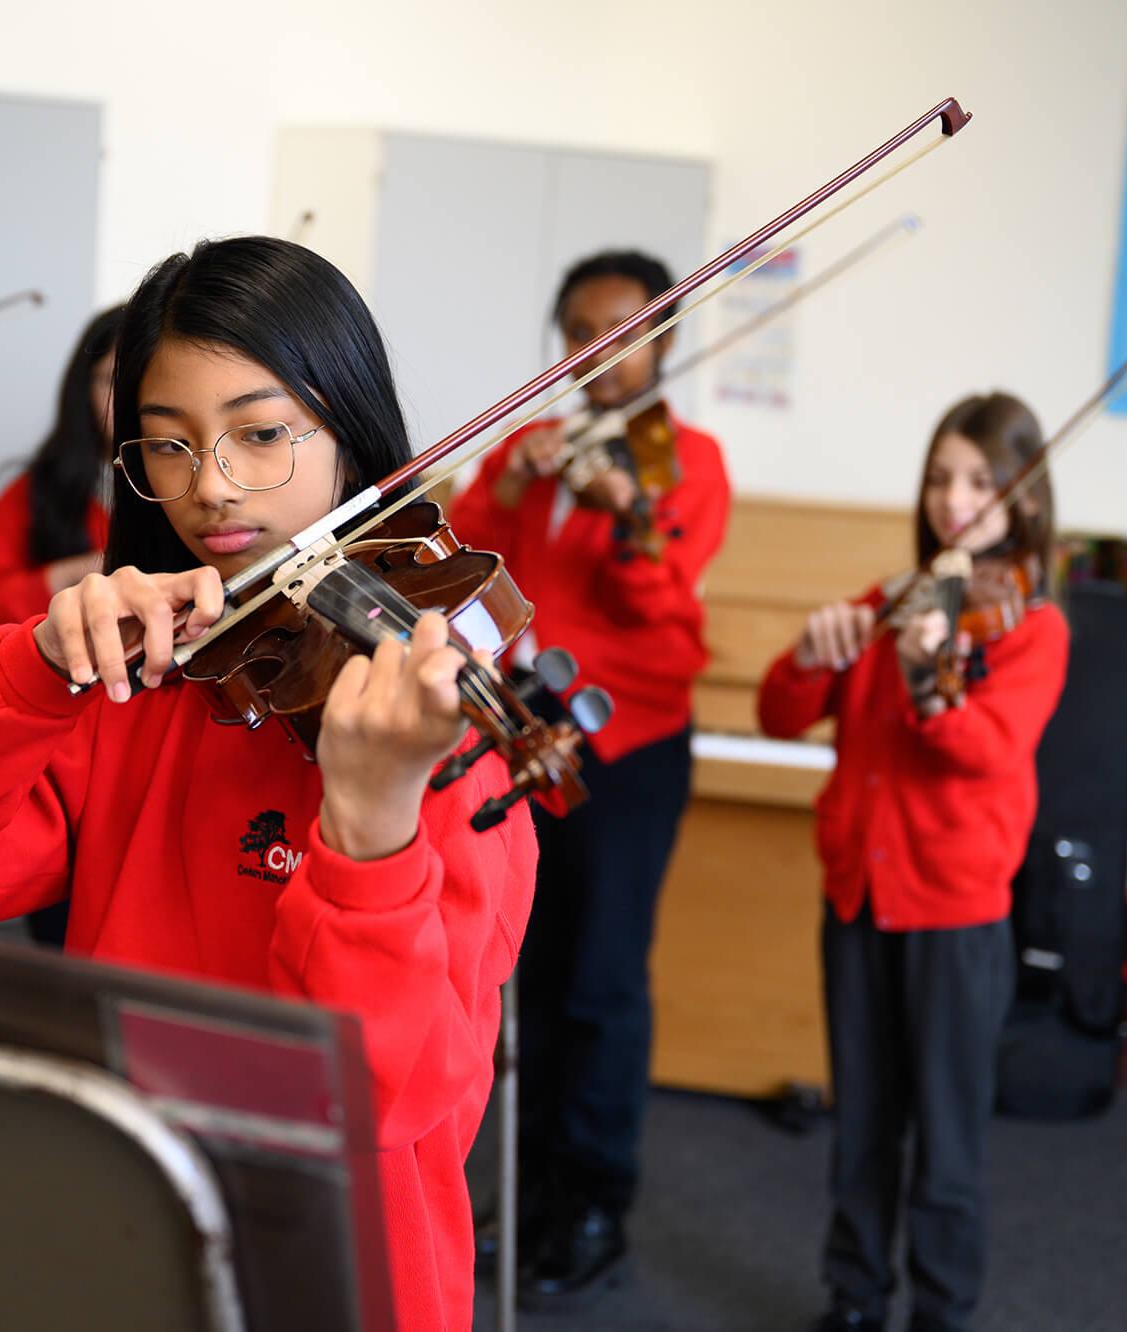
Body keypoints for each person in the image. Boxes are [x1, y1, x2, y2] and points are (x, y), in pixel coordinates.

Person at [0, 236, 536, 1331]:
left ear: (350, 433)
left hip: (341, 1274)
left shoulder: (427, 720)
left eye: (260, 434)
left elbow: (388, 1097)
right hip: (126, 1238)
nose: (208, 487)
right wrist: (29, 667)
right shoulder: (153, 680)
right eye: (167, 444)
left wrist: (371, 827)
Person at [446, 248, 731, 1305]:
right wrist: (511, 486)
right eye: (578, 332)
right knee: (523, 975)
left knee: (601, 982)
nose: (598, 353)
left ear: (664, 340)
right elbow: (465, 576)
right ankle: (524, 1195)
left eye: (624, 333)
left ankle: (594, 1205)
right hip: (520, 733)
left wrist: (621, 511)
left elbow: (664, 607)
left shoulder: (686, 461)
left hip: (625, 745)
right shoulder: (529, 445)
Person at [757, 391, 1069, 1332]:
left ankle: (941, 1312)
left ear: (1024, 499)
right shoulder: (889, 600)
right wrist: (812, 655)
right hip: (859, 896)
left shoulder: (1033, 627)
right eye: (940, 479)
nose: (953, 500)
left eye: (979, 481)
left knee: (946, 1142)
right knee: (861, 1124)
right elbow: (778, 713)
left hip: (953, 913)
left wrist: (931, 676)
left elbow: (987, 750)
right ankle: (854, 1298)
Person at [0, 304, 123, 645]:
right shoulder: (38, 490)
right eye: (112, 380)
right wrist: (70, 574)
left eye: (145, 379)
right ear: (83, 388)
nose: (129, 399)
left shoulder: (203, 484)